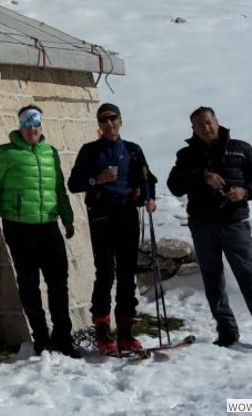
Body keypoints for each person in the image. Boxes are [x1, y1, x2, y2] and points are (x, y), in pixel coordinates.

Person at [166, 106, 252, 350]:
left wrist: (245, 192)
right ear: (193, 129)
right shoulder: (186, 155)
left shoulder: (241, 149)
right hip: (202, 224)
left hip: (235, 223)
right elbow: (174, 185)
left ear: (217, 121)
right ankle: (227, 331)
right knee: (212, 280)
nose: (205, 128)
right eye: (199, 125)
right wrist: (202, 177)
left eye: (208, 122)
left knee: (250, 277)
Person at [0, 105, 80, 357]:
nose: (31, 130)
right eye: (26, 125)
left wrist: (67, 218)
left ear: (41, 126)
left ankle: (63, 337)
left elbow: (59, 188)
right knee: (28, 282)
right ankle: (41, 337)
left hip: (48, 224)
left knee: (58, 281)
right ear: (19, 126)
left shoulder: (50, 153)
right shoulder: (5, 153)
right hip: (18, 225)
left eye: (35, 124)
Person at [68, 103, 157, 355]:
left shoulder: (132, 149)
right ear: (98, 125)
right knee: (106, 272)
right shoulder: (90, 151)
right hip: (102, 214)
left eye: (113, 119)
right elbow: (74, 184)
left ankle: (126, 332)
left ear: (120, 121)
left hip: (128, 213)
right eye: (104, 120)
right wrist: (96, 179)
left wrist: (149, 198)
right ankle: (103, 330)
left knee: (128, 273)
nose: (109, 124)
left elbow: (146, 178)